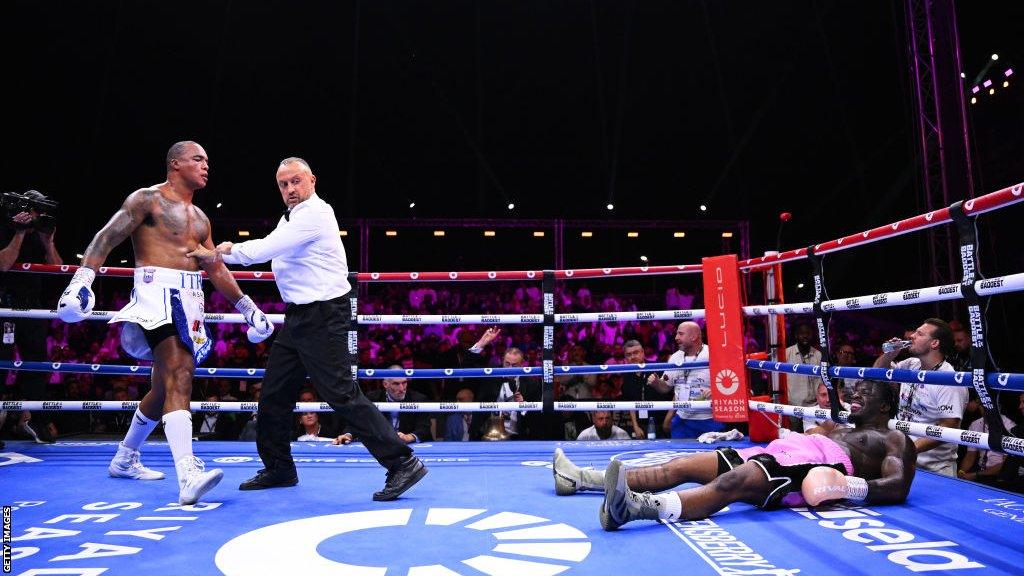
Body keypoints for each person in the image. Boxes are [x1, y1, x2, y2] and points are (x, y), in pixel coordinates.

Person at [188, 156, 426, 501]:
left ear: (312, 180)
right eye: (283, 184)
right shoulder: (293, 216)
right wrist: (228, 250)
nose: (290, 189)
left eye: (296, 181)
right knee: (273, 393)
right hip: (299, 316)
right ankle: (279, 467)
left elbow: (264, 249)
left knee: (340, 393)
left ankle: (402, 462)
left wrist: (223, 252)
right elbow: (274, 243)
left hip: (323, 315)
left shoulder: (315, 213)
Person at [57, 141, 274, 505]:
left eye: (208, 160)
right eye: (198, 159)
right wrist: (81, 281)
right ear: (175, 164)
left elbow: (214, 266)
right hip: (156, 297)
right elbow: (106, 237)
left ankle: (125, 458)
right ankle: (187, 474)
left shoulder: (202, 218)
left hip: (190, 303)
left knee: (162, 388)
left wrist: (247, 305)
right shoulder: (147, 200)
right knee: (180, 374)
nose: (206, 166)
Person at [553, 380, 916, 530]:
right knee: (683, 464)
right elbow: (874, 378)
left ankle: (634, 509)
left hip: (814, 466)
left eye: (865, 393)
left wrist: (847, 486)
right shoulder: (846, 426)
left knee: (731, 483)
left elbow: (899, 485)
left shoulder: (894, 437)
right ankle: (580, 480)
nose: (854, 394)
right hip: (783, 451)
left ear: (885, 405)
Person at [1, 191, 63, 444]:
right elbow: (3, 264)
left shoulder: (42, 232)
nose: (36, 216)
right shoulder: (7, 227)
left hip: (33, 306)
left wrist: (48, 241)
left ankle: (32, 418)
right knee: (2, 364)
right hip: (6, 306)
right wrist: (19, 232)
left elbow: (58, 269)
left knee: (38, 364)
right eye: (34, 211)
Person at [874, 318, 966, 477]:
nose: (912, 336)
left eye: (919, 333)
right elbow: (877, 373)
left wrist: (909, 449)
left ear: (934, 343)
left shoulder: (948, 379)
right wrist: (889, 355)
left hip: (934, 469)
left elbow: (949, 426)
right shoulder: (911, 364)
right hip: (902, 460)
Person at [646, 321, 721, 439]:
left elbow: (728, 383)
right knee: (681, 455)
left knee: (710, 456)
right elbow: (665, 387)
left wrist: (717, 393)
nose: (676, 338)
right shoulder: (675, 357)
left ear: (694, 336)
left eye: (680, 334)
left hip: (709, 419)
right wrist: (656, 383)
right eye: (676, 334)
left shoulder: (713, 354)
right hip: (682, 420)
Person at [336, 367, 432, 444]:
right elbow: (358, 421)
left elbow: (424, 429)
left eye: (404, 383)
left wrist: (409, 437)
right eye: (396, 384)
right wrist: (348, 435)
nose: (402, 388)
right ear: (385, 384)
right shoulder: (372, 398)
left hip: (410, 447)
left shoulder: (418, 399)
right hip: (381, 445)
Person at [618, 339, 672, 439]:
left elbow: (674, 394)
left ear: (642, 352)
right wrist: (635, 426)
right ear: (625, 357)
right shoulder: (626, 375)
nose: (633, 357)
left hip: (662, 422)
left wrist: (668, 420)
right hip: (641, 423)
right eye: (629, 354)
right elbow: (630, 402)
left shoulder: (657, 368)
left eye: (636, 353)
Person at [784, 323, 822, 423]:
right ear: (796, 335)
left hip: (813, 407)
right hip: (792, 407)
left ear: (812, 335)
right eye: (802, 333)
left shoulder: (818, 355)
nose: (805, 336)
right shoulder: (786, 354)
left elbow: (822, 383)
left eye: (808, 333)